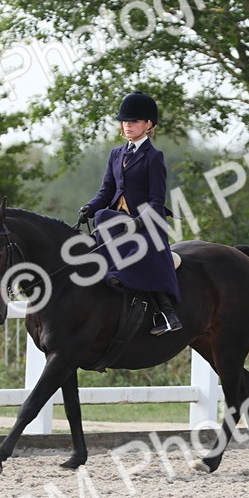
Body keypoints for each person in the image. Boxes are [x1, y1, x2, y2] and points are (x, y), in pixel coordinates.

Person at [78, 92, 182, 335]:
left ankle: (166, 312)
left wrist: (138, 222)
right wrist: (89, 207)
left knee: (104, 218)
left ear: (148, 125)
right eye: (125, 121)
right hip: (117, 221)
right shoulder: (116, 154)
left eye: (134, 121)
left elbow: (157, 200)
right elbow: (106, 190)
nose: (128, 125)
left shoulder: (154, 157)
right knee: (100, 216)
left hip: (145, 222)